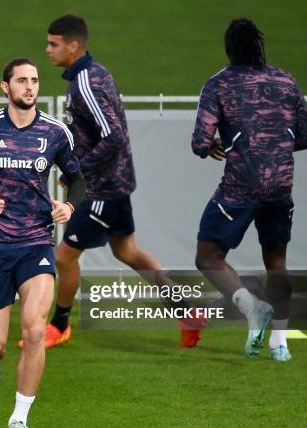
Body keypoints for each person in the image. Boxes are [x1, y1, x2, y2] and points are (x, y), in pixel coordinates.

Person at [43, 15, 204, 349]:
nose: (47, 50)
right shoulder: (90, 74)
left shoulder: (86, 82)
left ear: (74, 46)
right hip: (112, 183)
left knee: (64, 257)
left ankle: (59, 326)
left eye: (53, 44)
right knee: (127, 251)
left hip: (103, 188)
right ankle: (186, 312)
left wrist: (79, 172)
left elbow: (113, 136)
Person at [0, 58, 85, 428]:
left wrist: (68, 206)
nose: (30, 86)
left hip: (37, 244)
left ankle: (19, 417)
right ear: (4, 87)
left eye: (35, 80)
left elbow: (77, 180)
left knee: (36, 331)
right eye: (21, 80)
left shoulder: (55, 132)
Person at [192, 18, 307, 360]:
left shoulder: (219, 84)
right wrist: (276, 143)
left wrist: (216, 145)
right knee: (277, 262)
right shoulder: (286, 80)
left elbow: (200, 141)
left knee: (208, 255)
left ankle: (251, 308)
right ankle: (281, 345)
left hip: (241, 185)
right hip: (280, 184)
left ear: (229, 49)